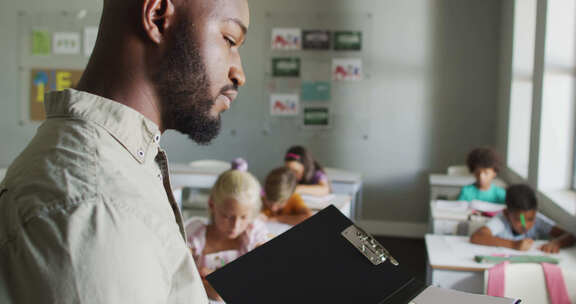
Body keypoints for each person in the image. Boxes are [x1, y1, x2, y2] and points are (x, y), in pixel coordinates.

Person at [0, 0, 250, 302]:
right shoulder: (98, 211)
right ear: (157, 17)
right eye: (230, 40)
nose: (239, 74)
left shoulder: (121, 167)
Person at [186, 169, 267, 303]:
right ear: (212, 205)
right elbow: (179, 272)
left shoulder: (253, 234)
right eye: (227, 216)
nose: (235, 226)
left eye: (243, 217)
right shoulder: (195, 233)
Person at [470, 184, 575, 253]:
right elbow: (477, 237)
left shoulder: (538, 220)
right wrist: (513, 244)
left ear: (535, 213)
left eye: (530, 219)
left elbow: (570, 236)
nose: (525, 225)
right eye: (518, 219)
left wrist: (556, 243)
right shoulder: (501, 220)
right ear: (507, 213)